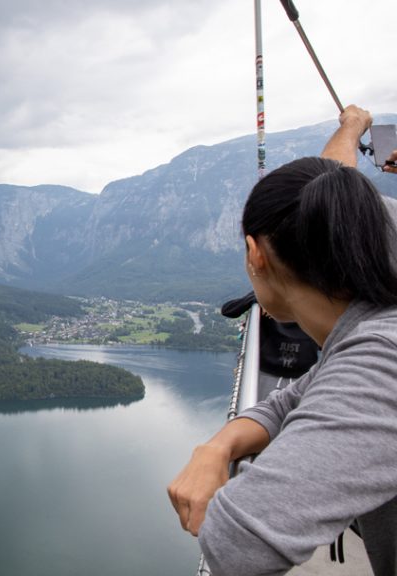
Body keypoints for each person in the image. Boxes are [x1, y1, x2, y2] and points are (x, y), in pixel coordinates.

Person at [167, 106, 397, 575]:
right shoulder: (378, 275)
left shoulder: (381, 355)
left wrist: (353, 125)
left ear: (256, 255)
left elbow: (238, 541)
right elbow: (290, 401)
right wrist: (218, 447)